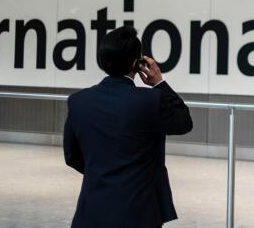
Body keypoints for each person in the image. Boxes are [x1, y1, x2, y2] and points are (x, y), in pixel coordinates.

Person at [63, 25, 193, 228]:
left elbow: (72, 157)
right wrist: (159, 83)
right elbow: (184, 122)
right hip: (138, 214)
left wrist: (103, 172)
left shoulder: (78, 101)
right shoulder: (150, 100)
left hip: (90, 214)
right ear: (137, 63)